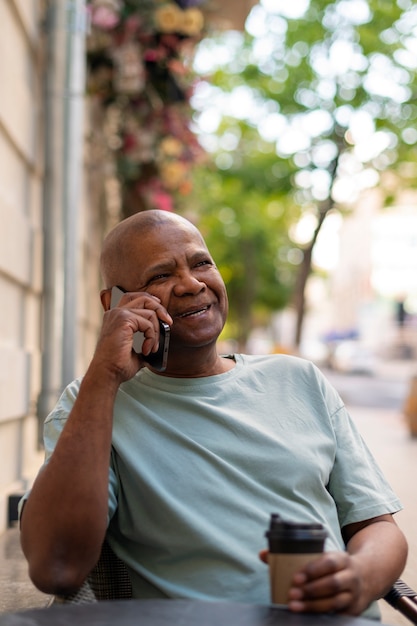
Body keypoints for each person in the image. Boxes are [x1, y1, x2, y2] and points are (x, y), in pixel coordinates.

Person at [20, 210, 407, 619]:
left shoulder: (299, 379)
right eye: (159, 276)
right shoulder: (93, 401)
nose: (191, 284)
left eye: (201, 263)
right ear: (114, 303)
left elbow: (376, 526)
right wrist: (105, 373)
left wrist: (358, 576)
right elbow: (56, 567)